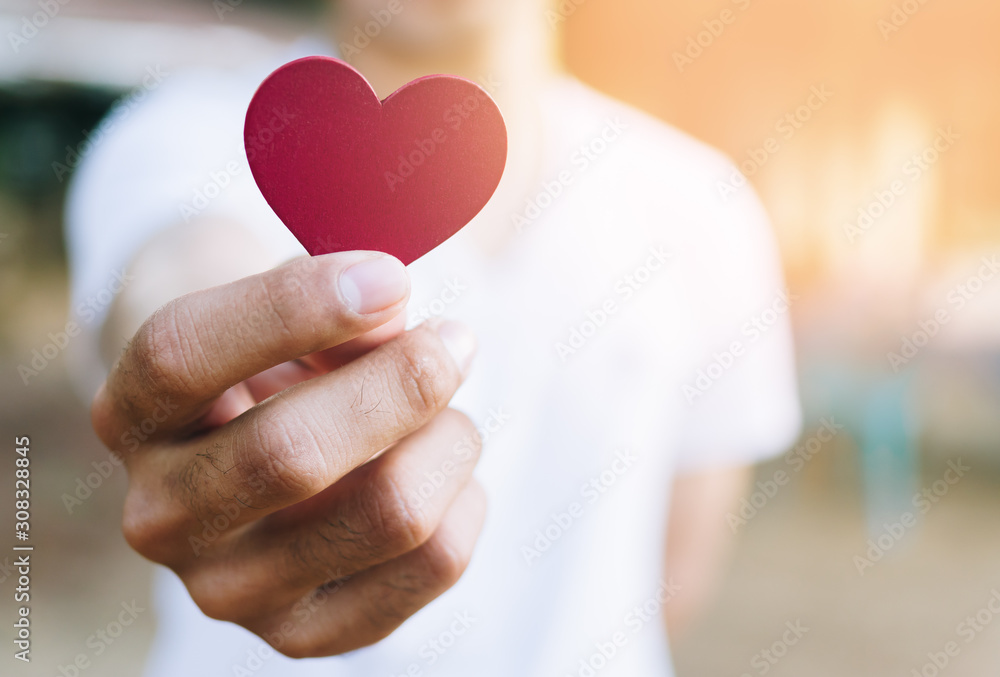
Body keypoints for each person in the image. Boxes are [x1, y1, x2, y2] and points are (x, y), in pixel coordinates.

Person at [66, 0, 801, 674]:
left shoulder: (703, 206)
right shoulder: (181, 134)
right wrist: (204, 359)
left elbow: (673, 577)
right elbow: (179, 268)